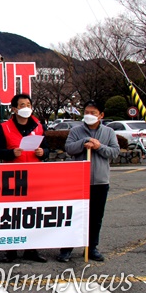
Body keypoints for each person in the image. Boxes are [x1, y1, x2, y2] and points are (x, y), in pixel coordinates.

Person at [57, 100, 119, 262]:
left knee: (96, 217)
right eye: (87, 112)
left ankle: (92, 247)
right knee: (73, 215)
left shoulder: (108, 132)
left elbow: (114, 152)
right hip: (78, 180)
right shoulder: (76, 131)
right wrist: (84, 143)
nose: (89, 116)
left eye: (93, 113)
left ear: (101, 115)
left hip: (99, 181)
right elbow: (70, 148)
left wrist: (99, 147)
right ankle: (66, 249)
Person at [0, 93, 49, 263]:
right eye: (22, 105)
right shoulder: (4, 128)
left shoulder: (39, 126)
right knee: (12, 214)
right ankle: (10, 250)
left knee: (33, 213)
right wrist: (11, 153)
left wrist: (42, 153)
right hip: (12, 177)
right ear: (14, 109)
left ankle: (31, 249)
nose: (26, 108)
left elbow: (46, 149)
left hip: (34, 176)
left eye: (28, 105)